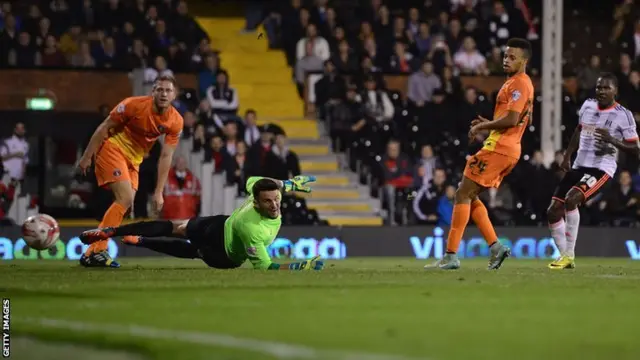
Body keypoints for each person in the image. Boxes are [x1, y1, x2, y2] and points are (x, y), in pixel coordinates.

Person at [425, 38, 534, 270]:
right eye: (505, 56)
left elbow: (514, 119)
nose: (506, 60)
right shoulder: (516, 83)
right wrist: (492, 124)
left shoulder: (520, 84)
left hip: (499, 149)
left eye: (513, 57)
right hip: (505, 148)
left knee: (461, 194)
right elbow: (524, 119)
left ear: (525, 60)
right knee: (469, 195)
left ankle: (451, 255)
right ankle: (495, 247)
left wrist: (482, 127)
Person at [79, 176, 325, 271]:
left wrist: (287, 184)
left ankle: (141, 241)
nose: (274, 205)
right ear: (256, 202)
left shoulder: (259, 215)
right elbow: (265, 267)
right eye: (268, 201)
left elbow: (266, 267)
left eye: (276, 200)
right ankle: (109, 232)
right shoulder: (253, 219)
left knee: (193, 249)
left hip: (224, 256)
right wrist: (296, 266)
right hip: (222, 226)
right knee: (177, 227)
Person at [76, 75, 184, 268]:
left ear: (174, 95)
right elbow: (104, 127)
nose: (163, 94)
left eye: (168, 90)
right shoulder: (133, 105)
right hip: (113, 148)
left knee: (126, 204)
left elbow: (166, 157)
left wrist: (159, 192)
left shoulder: (175, 121)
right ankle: (98, 250)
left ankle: (91, 253)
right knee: (125, 198)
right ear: (153, 92)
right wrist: (86, 157)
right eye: (159, 89)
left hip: (134, 160)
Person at [546, 74, 639, 269]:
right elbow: (579, 130)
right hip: (580, 164)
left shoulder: (624, 115)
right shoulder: (588, 105)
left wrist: (612, 140)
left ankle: (568, 255)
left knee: (572, 199)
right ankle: (565, 256)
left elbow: (636, 150)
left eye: (606, 88)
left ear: (616, 91)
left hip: (601, 167)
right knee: (553, 211)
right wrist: (567, 155)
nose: (601, 91)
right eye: (599, 88)